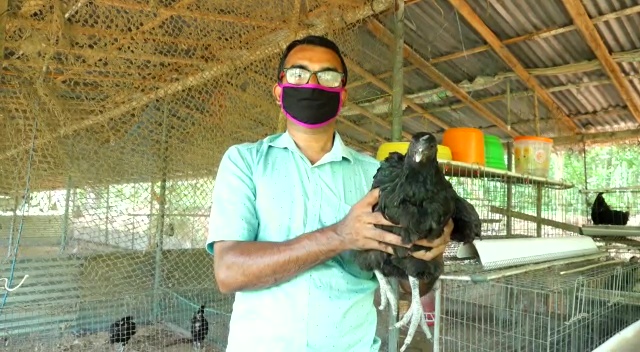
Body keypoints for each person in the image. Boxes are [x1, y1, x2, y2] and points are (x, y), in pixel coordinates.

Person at [206, 35, 453, 352]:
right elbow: (228, 272)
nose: (312, 84)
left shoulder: (375, 176)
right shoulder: (245, 162)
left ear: (342, 94)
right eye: (298, 74)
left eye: (327, 76)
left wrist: (428, 253)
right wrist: (341, 236)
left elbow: (407, 283)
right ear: (279, 92)